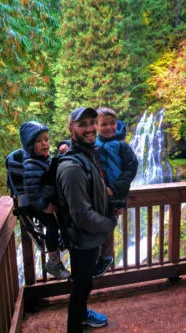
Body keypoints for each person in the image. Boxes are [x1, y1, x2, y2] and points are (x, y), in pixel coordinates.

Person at [56, 106, 117, 333]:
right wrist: (109, 224)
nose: (90, 129)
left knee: (84, 282)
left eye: (93, 123)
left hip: (89, 236)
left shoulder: (87, 153)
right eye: (83, 125)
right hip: (83, 237)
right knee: (81, 286)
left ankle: (82, 315)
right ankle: (75, 326)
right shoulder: (72, 167)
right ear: (72, 129)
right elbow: (82, 215)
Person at [59, 106, 138, 278]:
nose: (109, 127)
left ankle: (107, 257)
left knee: (108, 227)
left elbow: (131, 169)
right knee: (98, 225)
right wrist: (65, 144)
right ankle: (97, 257)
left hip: (116, 193)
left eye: (112, 124)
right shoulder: (94, 143)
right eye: (103, 124)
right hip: (99, 193)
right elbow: (77, 143)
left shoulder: (122, 146)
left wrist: (115, 189)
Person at [20, 121, 70, 280]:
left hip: (47, 199)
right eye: (39, 141)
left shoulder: (44, 159)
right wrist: (43, 207)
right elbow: (32, 192)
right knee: (52, 225)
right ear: (30, 145)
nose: (45, 144)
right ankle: (53, 263)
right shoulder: (31, 165)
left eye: (46, 139)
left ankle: (59, 248)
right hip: (37, 205)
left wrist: (62, 150)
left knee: (61, 222)